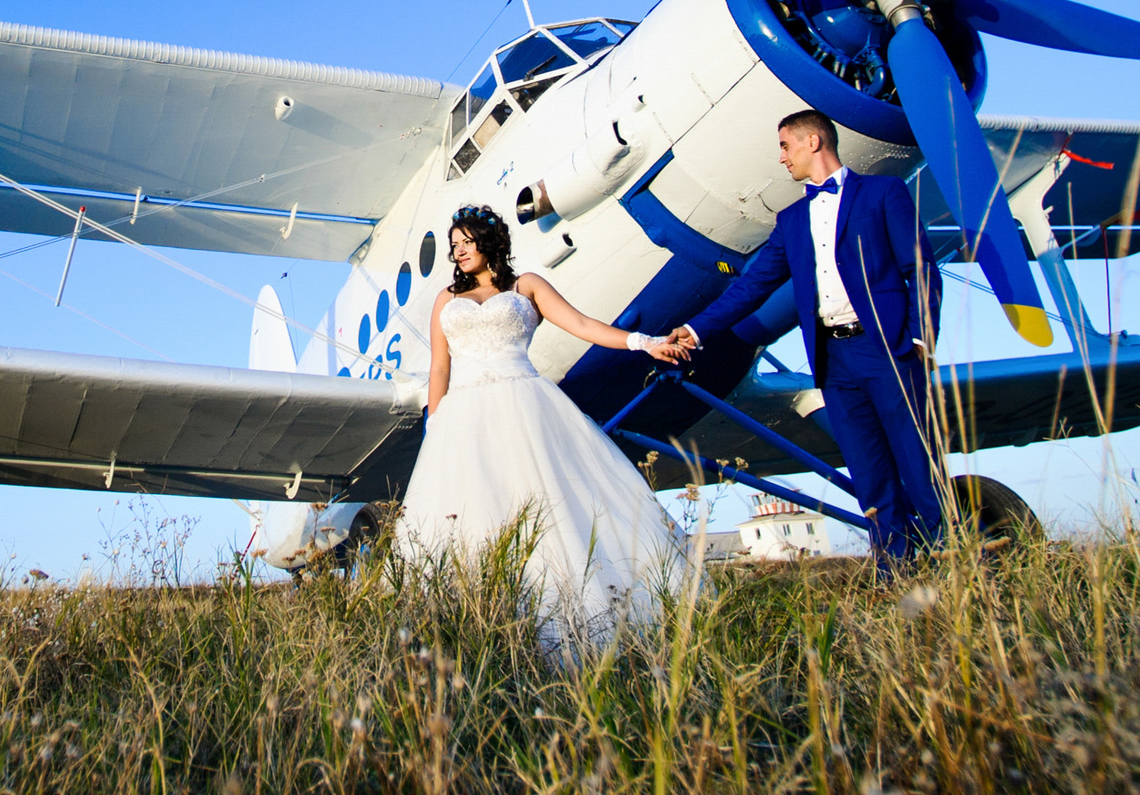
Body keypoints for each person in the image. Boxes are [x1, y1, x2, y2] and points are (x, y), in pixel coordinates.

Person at [398, 204, 699, 647]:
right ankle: (475, 629)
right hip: (463, 416)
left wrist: (645, 342)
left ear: (490, 240)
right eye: (454, 246)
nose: (458, 252)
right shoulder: (446, 299)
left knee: (549, 504)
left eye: (467, 242)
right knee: (472, 509)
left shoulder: (528, 286)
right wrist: (435, 423)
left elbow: (582, 325)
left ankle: (578, 619)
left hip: (527, 405)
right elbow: (438, 368)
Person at [673, 109, 944, 565]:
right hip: (833, 360)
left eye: (785, 146)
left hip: (887, 349)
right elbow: (752, 286)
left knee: (916, 459)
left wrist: (919, 339)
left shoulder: (884, 193)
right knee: (868, 469)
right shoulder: (792, 220)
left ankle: (949, 556)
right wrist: (698, 327)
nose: (781, 159)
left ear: (813, 141)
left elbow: (919, 269)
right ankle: (895, 568)